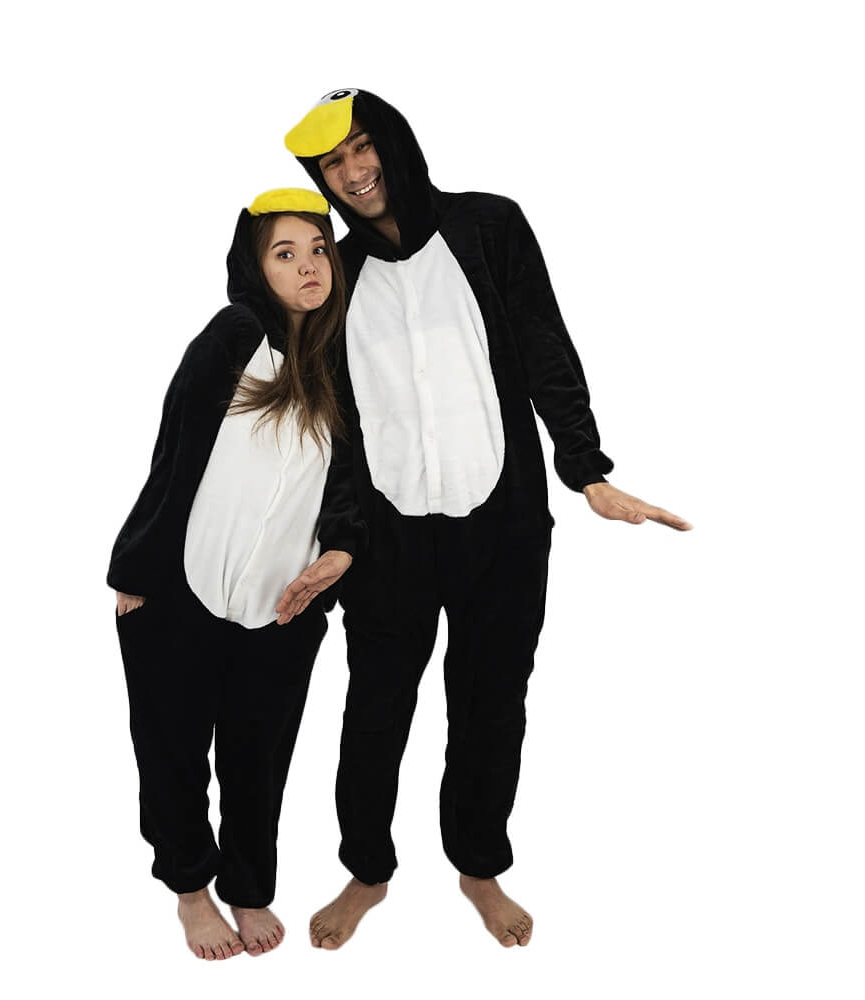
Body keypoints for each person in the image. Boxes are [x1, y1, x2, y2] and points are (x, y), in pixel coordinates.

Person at [277, 89, 691, 950]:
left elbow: (544, 344)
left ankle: (478, 865)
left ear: (394, 143)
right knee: (375, 710)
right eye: (332, 163)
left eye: (363, 147)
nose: (354, 172)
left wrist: (586, 469)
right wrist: (339, 537)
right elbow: (335, 421)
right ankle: (367, 871)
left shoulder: (489, 226)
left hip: (501, 524)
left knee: (492, 704)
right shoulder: (335, 274)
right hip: (388, 535)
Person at [107, 188, 365, 961]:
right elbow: (174, 451)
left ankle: (249, 887)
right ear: (256, 268)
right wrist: (138, 568)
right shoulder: (235, 334)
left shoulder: (343, 364)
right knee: (174, 753)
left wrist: (340, 553)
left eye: (318, 250)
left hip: (282, 607)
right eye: (285, 254)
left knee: (260, 759)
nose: (308, 266)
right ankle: (191, 890)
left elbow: (351, 484)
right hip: (179, 590)